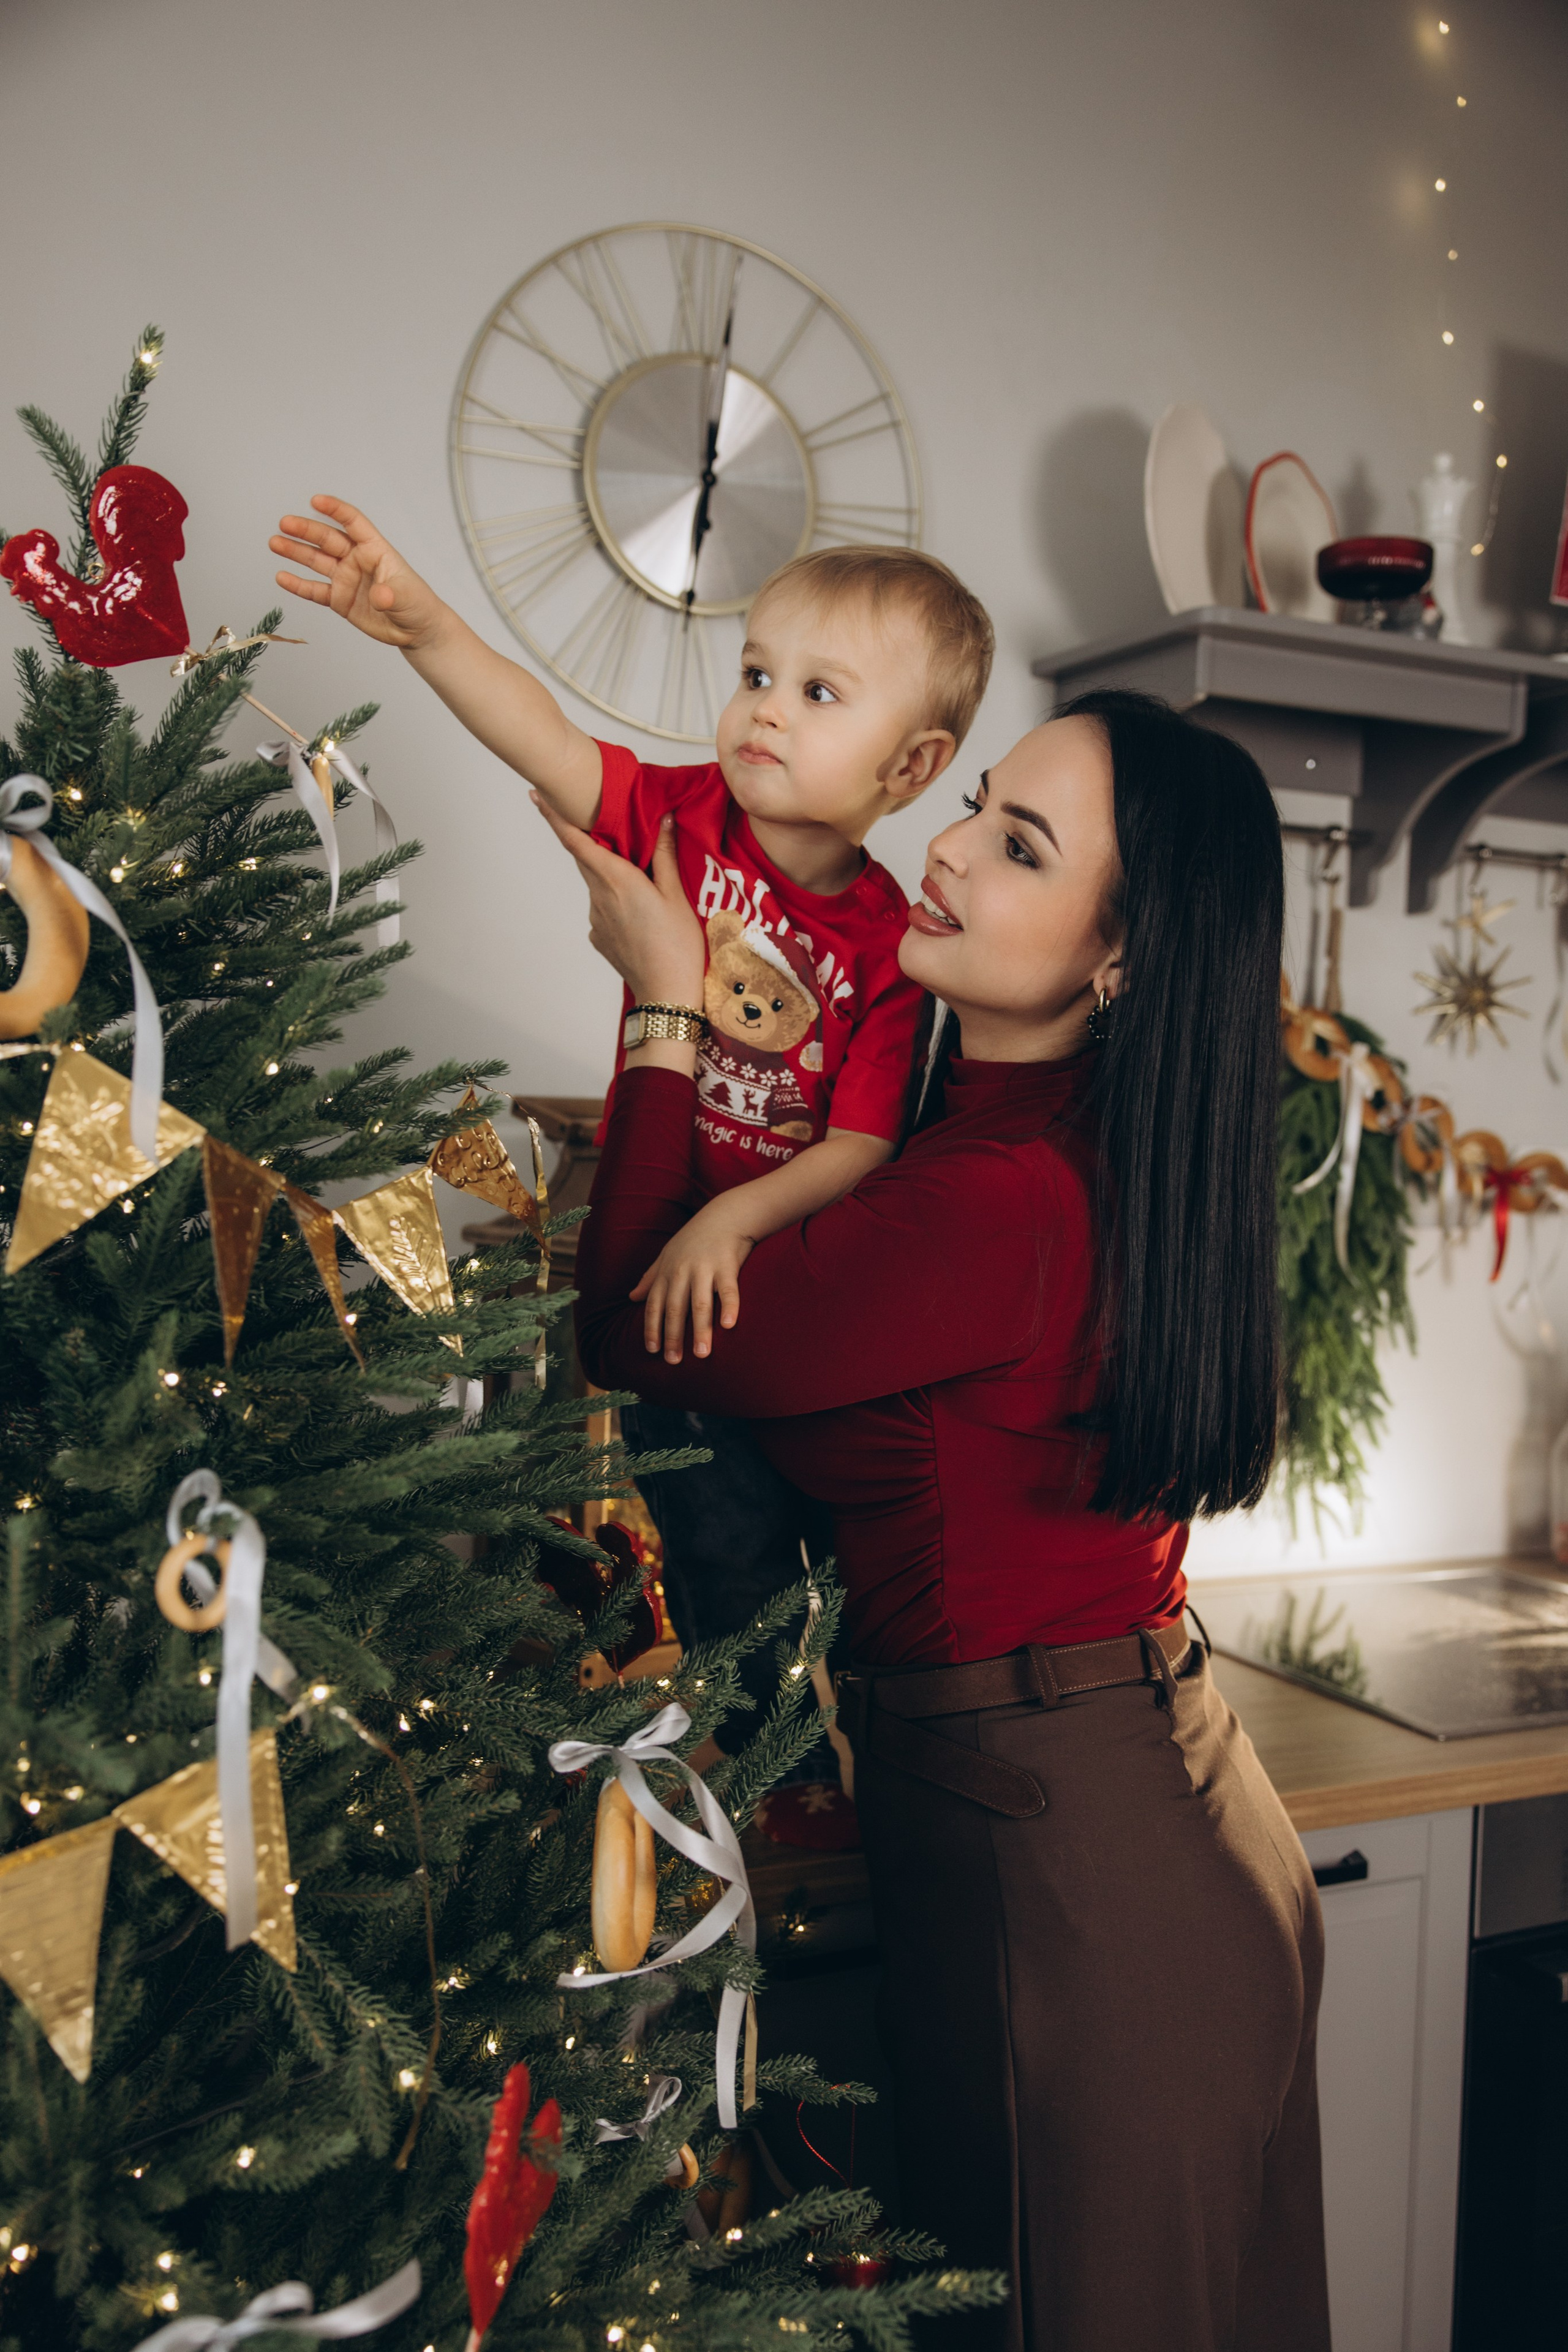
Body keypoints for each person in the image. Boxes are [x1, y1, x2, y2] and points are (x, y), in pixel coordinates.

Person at [546, 689, 1330, 2352]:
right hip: (1146, 1798)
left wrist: (665, 1008)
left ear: (1116, 959)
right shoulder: (1049, 1146)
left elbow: (627, 1327)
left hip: (1077, 1866)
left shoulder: (993, 1203)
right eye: (977, 805)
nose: (950, 849)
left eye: (1020, 847)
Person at [268, 505, 993, 1751]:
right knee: (713, 1543)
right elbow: (542, 738)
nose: (763, 708)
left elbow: (862, 1142)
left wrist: (735, 1217)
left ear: (910, 768)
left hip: (785, 1285)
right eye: (756, 673)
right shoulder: (679, 817)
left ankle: (869, 1751)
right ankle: (763, 1757)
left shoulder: (888, 943)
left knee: (833, 1555)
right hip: (665, 1272)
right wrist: (425, 629)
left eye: (817, 692)